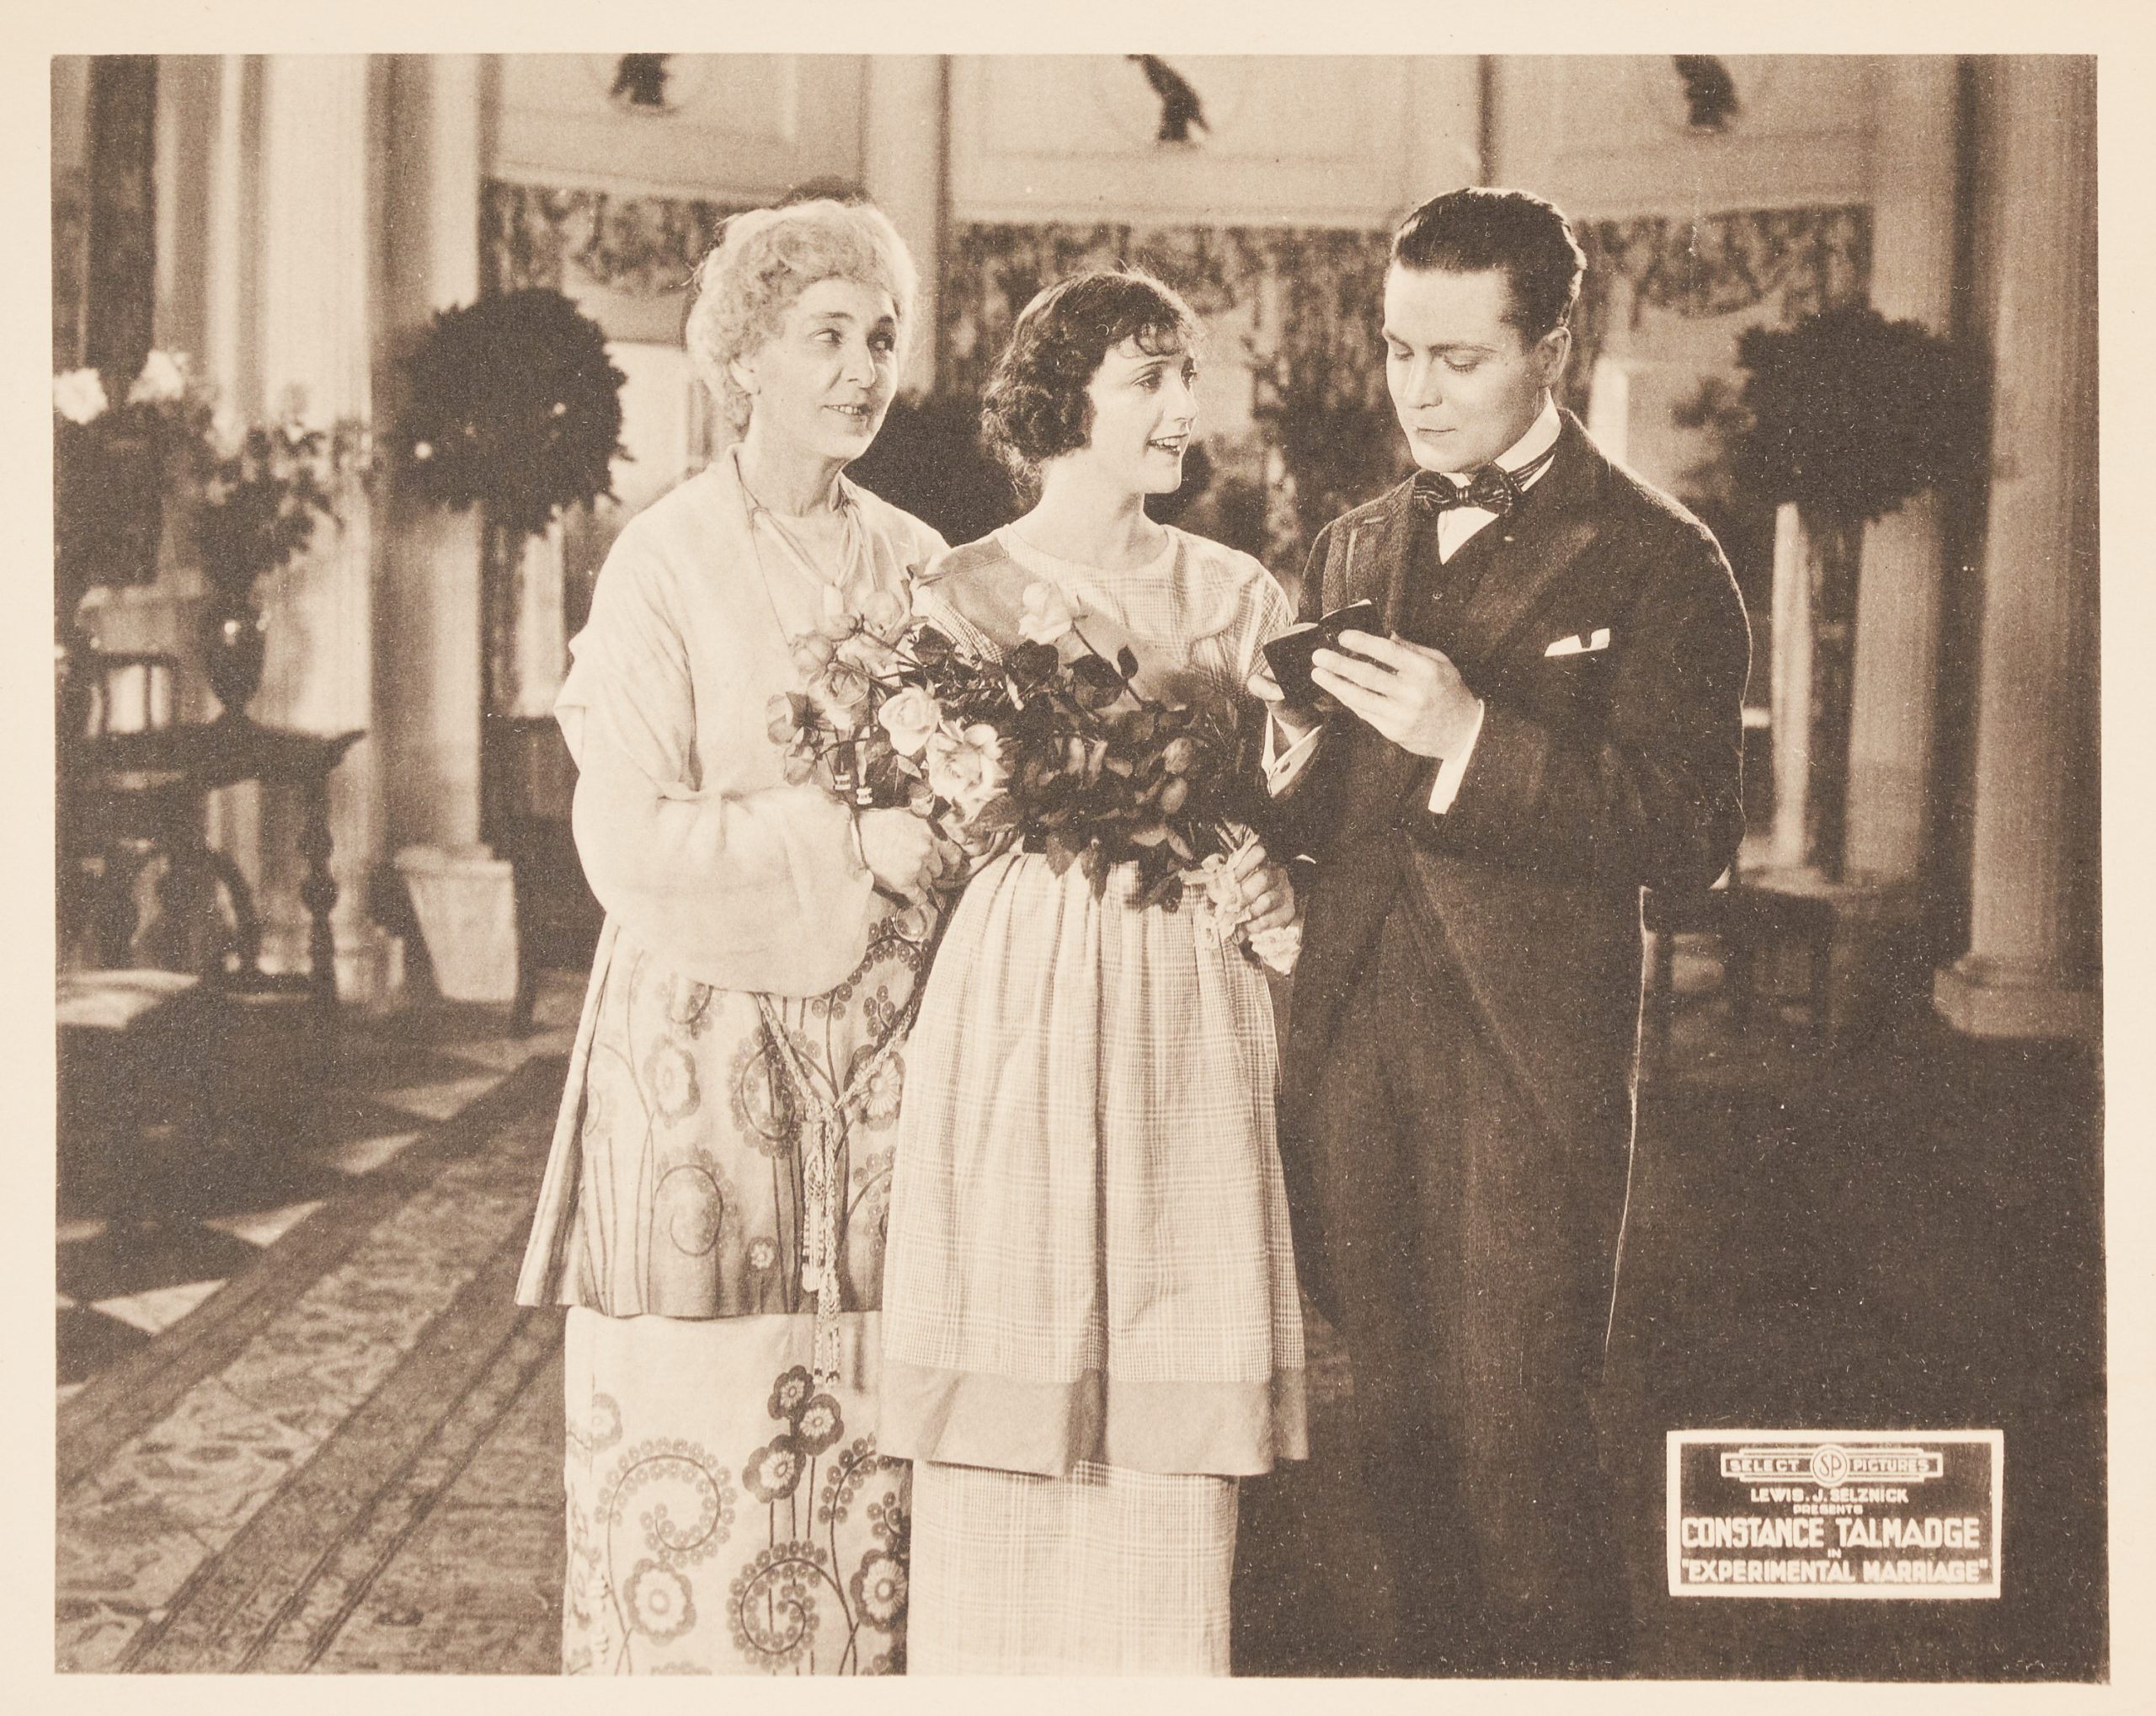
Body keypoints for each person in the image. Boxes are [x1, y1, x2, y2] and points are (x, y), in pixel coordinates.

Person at [1258, 187, 1750, 1675]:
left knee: (1521, 1459)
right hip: (1348, 1044)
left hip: (1524, 1072)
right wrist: (1279, 767)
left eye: (1459, 357)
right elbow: (1315, 810)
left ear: (1554, 344)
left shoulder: (1665, 560)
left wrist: (1477, 737)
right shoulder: (1348, 544)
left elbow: (1690, 836)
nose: (1418, 388)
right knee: (1392, 1451)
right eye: (1401, 348)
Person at [513, 198, 948, 1676]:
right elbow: (623, 832)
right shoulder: (666, 557)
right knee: (710, 1388)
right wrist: (845, 842)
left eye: (880, 336)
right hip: (703, 1055)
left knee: (880, 1398)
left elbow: (968, 785)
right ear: (743, 357)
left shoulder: (918, 559)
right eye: (826, 335)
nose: (862, 367)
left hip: (886, 1055)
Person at [878, 270, 1307, 1674]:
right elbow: (929, 824)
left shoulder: (1238, 591)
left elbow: (1291, 807)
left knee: (1175, 1313)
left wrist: (1266, 873)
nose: (1187, 408)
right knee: (1017, 1300)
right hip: (1024, 989)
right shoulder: (956, 590)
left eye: (1187, 375)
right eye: (1148, 380)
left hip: (1189, 986)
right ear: (1063, 404)